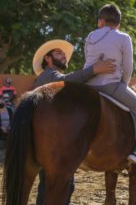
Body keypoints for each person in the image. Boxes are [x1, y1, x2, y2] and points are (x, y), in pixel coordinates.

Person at [32, 39, 116, 205]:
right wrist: (94, 69)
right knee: (57, 186)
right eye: (58, 53)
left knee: (54, 185)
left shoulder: (45, 77)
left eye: (64, 54)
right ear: (47, 59)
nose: (63, 56)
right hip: (53, 144)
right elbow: (68, 81)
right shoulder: (49, 75)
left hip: (50, 142)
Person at [84, 4, 136, 171]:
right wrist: (123, 84)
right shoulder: (123, 38)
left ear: (100, 21)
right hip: (110, 85)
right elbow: (128, 67)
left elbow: (88, 60)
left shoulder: (90, 36)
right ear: (118, 23)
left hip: (87, 86)